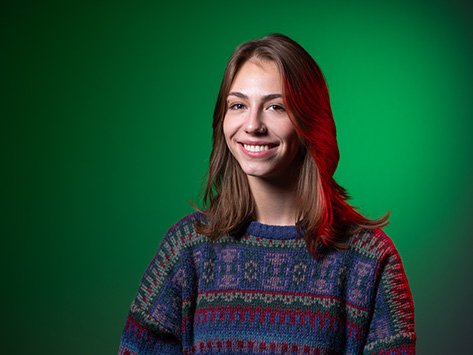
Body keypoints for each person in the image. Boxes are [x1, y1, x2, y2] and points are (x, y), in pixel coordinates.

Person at [118, 34, 416, 355]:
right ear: (223, 119)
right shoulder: (187, 249)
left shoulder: (370, 260)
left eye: (276, 107)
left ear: (309, 122)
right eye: (238, 105)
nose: (253, 125)